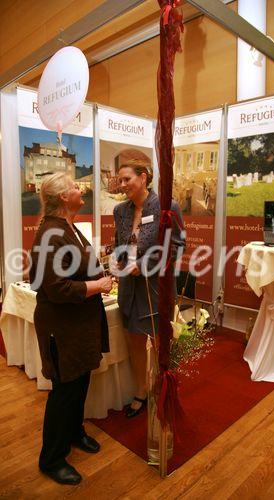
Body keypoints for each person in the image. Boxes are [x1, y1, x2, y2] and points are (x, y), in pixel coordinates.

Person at [29, 172, 112, 485]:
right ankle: (51, 457)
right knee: (64, 391)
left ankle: (74, 431)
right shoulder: (52, 232)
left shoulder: (67, 226)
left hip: (77, 325)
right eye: (76, 187)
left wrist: (100, 270)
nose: (82, 190)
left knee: (80, 383)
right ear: (63, 197)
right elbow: (56, 288)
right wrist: (96, 285)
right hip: (62, 328)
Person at [112, 161, 185, 418]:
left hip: (156, 288)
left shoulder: (167, 207)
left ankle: (161, 389)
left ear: (143, 178)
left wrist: (141, 266)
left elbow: (175, 247)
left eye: (126, 179)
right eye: (119, 181)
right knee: (134, 342)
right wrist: (119, 261)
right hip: (129, 290)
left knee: (159, 345)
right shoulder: (120, 210)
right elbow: (118, 244)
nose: (122, 186)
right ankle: (141, 391)